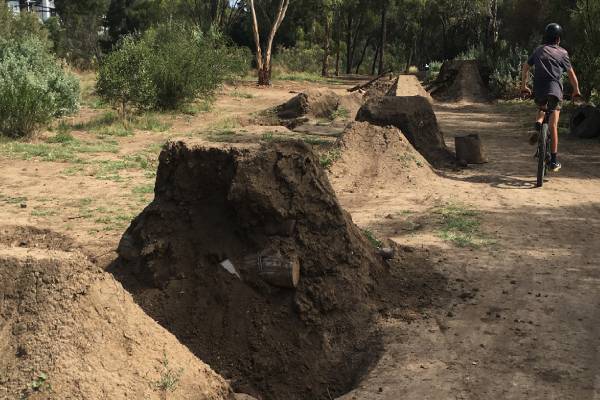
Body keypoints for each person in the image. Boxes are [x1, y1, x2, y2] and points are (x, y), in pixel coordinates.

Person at [520, 23, 582, 172]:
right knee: (553, 125)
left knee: (542, 107)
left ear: (545, 38)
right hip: (555, 91)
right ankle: (554, 161)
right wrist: (576, 90)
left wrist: (523, 86)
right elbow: (571, 74)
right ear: (558, 39)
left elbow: (525, 67)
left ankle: (538, 123)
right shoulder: (563, 53)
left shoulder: (538, 50)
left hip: (539, 89)